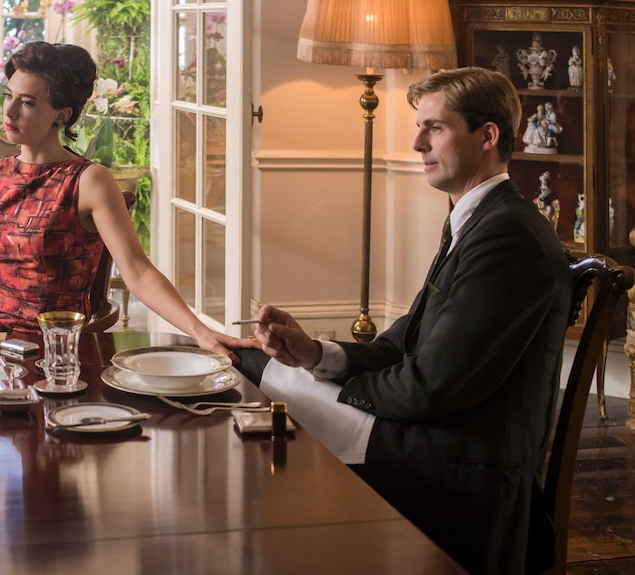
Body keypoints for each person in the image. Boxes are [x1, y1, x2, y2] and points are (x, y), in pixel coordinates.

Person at [236, 67, 571, 575]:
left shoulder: (509, 238)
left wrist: (337, 394)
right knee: (258, 369)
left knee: (258, 382)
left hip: (460, 468)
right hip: (438, 436)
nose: (417, 143)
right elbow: (404, 342)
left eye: (434, 127)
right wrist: (315, 354)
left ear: (488, 136)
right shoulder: (477, 219)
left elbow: (431, 386)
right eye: (420, 127)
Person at [0, 42, 256, 360]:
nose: (9, 111)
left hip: (60, 355)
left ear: (61, 115)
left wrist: (199, 330)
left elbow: (137, 272)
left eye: (27, 102)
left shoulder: (88, 181)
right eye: (8, 95)